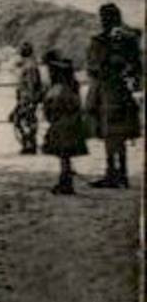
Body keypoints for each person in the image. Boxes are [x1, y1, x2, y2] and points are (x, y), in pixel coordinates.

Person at [84, 2, 142, 189]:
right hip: (124, 93)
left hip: (106, 92)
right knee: (121, 135)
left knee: (109, 134)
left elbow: (93, 67)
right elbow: (137, 67)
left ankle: (111, 173)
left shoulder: (99, 41)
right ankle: (122, 174)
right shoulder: (130, 39)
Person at [41, 51, 87, 195]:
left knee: (63, 155)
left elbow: (50, 108)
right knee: (66, 155)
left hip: (61, 124)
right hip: (72, 123)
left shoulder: (58, 90)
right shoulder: (72, 88)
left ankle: (65, 182)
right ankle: (66, 181)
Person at [10, 42, 46, 156]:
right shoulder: (29, 64)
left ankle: (29, 144)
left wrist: (31, 99)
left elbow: (31, 84)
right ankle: (29, 143)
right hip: (25, 97)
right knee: (24, 120)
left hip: (27, 98)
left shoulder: (30, 66)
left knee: (21, 120)